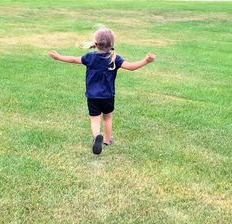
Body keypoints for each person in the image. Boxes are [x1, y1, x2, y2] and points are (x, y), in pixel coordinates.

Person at [49, 27, 156, 155]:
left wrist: (58, 57)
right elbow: (132, 67)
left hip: (93, 96)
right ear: (112, 44)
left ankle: (97, 136)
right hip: (108, 96)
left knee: (95, 119)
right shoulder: (115, 58)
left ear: (95, 44)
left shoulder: (90, 57)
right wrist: (146, 61)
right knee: (107, 118)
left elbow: (73, 59)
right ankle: (107, 140)